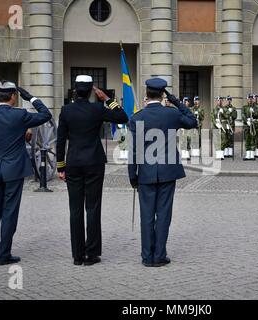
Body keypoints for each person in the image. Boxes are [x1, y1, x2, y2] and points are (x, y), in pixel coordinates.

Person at [0, 80, 52, 265]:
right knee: (9, 213)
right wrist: (31, 98)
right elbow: (46, 114)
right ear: (13, 96)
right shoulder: (20, 115)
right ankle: (4, 254)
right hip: (14, 171)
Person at [56, 75, 128, 266]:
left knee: (75, 210)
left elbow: (61, 140)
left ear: (74, 89)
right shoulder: (97, 108)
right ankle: (92, 254)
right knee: (93, 208)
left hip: (73, 163)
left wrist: (60, 166)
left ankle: (77, 255)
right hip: (94, 162)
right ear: (90, 91)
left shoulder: (66, 110)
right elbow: (123, 117)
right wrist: (107, 99)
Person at [128, 78, 197, 267]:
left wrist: (132, 176)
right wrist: (175, 101)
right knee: (164, 214)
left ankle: (146, 257)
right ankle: (159, 255)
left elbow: (133, 150)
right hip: (167, 171)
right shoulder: (171, 114)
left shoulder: (137, 117)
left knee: (147, 216)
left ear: (146, 94)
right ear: (162, 95)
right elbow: (193, 121)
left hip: (146, 173)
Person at [242, 93, 258, 160]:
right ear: (247, 99)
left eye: (252, 99)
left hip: (254, 125)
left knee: (253, 140)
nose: (250, 100)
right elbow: (243, 115)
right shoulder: (244, 107)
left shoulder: (257, 107)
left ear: (254, 99)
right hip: (247, 125)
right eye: (249, 99)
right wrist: (246, 121)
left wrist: (254, 112)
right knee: (247, 140)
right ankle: (248, 155)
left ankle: (252, 155)